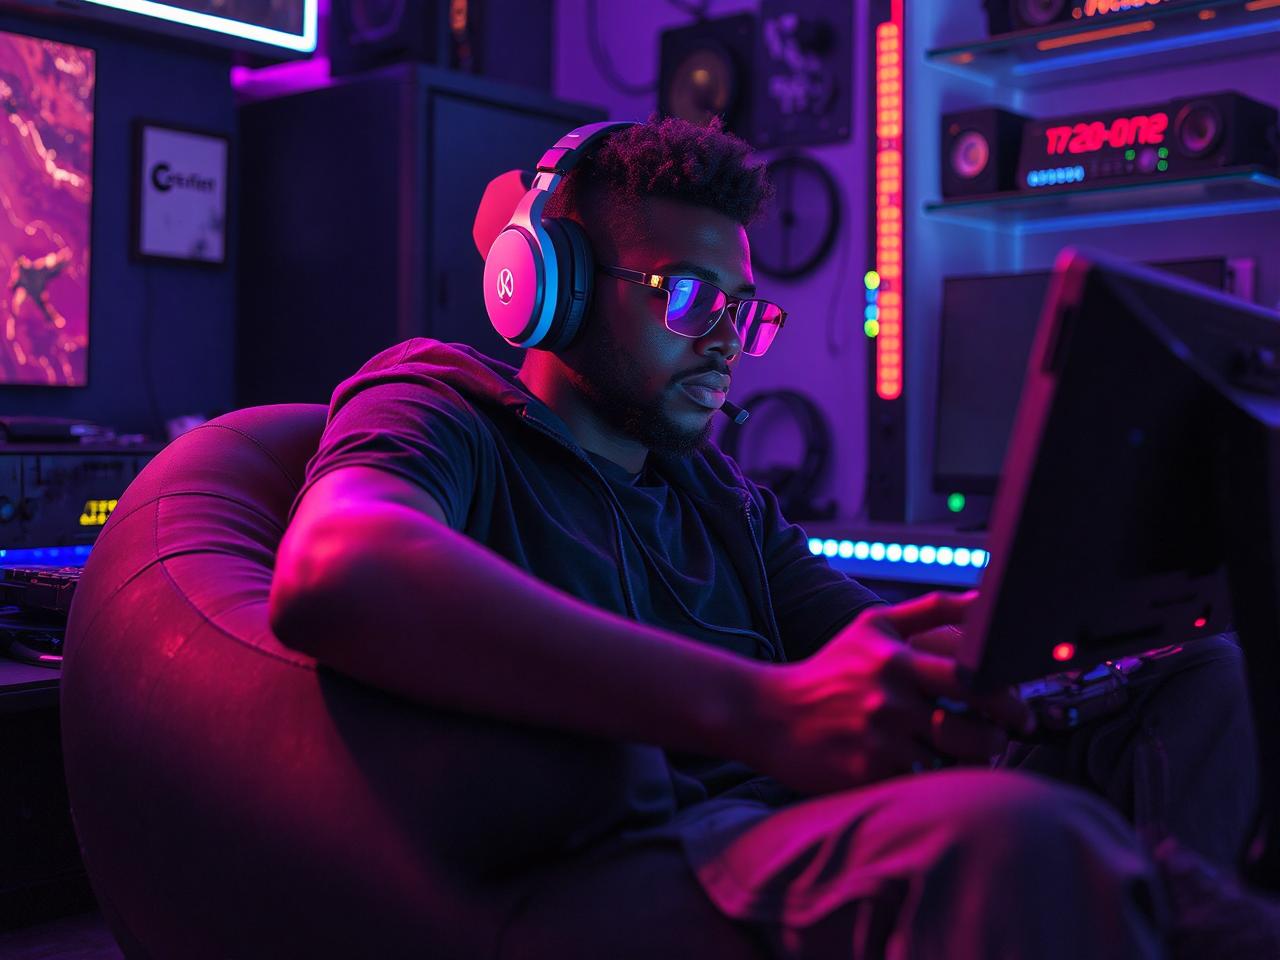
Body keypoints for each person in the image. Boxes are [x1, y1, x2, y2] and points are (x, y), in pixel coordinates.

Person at [268, 117, 1269, 959]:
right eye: (689, 299)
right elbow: (334, 567)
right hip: (661, 849)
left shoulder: (715, 493)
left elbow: (864, 645)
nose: (722, 345)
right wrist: (758, 709)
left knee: (1199, 679)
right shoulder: (444, 403)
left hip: (794, 814)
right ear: (547, 285)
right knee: (1024, 839)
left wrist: (1020, 641)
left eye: (740, 314)